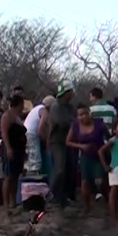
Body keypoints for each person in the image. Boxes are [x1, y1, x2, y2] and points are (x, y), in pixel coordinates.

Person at [67, 103, 111, 215]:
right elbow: (68, 142)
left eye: (85, 113)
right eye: (80, 115)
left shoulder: (99, 124)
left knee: (101, 181)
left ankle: (108, 201)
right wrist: (81, 146)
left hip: (99, 156)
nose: (83, 116)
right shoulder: (75, 126)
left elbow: (109, 138)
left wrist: (107, 149)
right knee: (85, 182)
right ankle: (86, 208)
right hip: (85, 156)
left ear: (90, 113)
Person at [47, 81, 77, 210]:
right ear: (66, 93)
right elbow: (62, 122)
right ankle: (53, 195)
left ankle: (66, 197)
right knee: (59, 169)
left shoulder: (71, 107)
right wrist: (73, 122)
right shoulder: (56, 107)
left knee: (70, 169)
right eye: (71, 91)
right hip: (57, 141)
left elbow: (74, 121)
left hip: (69, 141)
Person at [1, 95, 28, 214]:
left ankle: (13, 201)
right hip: (10, 148)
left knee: (16, 176)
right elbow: (4, 132)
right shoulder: (7, 115)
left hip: (19, 149)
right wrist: (8, 148)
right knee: (8, 176)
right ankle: (6, 204)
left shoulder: (17, 116)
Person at [100, 119, 118, 223]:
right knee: (113, 192)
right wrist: (105, 166)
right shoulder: (113, 140)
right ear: (114, 130)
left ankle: (116, 213)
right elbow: (101, 151)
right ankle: (113, 217)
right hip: (116, 168)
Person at [24, 95, 55, 175]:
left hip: (26, 132)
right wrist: (46, 140)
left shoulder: (36, 108)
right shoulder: (44, 111)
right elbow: (40, 129)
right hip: (31, 134)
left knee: (30, 158)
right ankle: (32, 177)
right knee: (35, 161)